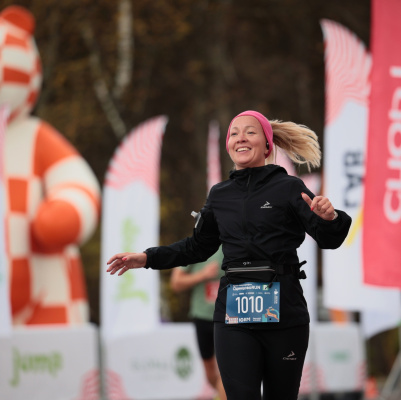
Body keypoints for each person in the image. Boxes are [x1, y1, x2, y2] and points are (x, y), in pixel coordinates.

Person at [107, 110, 352, 400]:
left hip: (285, 314)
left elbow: (328, 239)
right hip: (234, 318)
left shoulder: (289, 188)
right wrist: (147, 258)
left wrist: (332, 218)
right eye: (234, 133)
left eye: (250, 132)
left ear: (267, 145)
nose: (241, 138)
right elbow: (197, 247)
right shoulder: (219, 195)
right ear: (228, 145)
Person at [170, 247, 226, 400]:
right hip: (203, 317)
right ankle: (221, 395)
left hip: (230, 317)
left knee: (228, 370)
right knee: (210, 371)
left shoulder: (236, 242)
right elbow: (176, 283)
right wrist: (203, 275)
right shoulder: (198, 244)